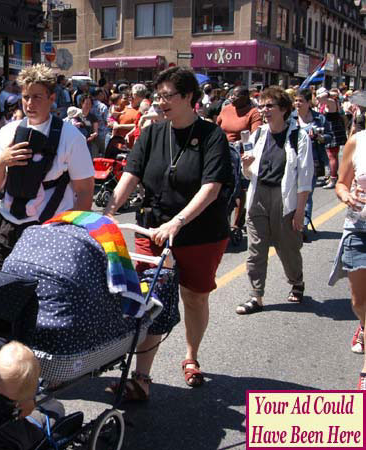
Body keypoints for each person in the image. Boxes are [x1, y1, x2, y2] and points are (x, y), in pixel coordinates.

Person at [103, 67, 232, 396]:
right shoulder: (151, 133)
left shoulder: (211, 136)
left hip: (199, 231)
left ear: (189, 97)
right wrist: (107, 212)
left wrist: (178, 221)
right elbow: (130, 176)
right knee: (149, 299)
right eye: (158, 96)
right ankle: (142, 377)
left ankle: (191, 356)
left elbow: (212, 188)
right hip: (153, 230)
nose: (161, 102)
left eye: (168, 96)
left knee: (194, 296)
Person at [0, 64, 95, 270]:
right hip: (5, 228)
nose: (29, 103)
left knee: (39, 299)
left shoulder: (71, 137)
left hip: (49, 231)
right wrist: (3, 160)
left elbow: (85, 191)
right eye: (25, 97)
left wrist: (70, 236)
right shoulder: (8, 132)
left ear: (52, 99)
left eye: (37, 97)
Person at [236, 86, 313, 315]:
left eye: (270, 106)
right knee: (256, 249)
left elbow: (305, 177)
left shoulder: (298, 136)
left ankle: (296, 281)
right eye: (262, 106)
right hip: (259, 194)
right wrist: (246, 165)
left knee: (287, 247)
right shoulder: (258, 134)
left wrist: (300, 211)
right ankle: (256, 296)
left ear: (284, 109)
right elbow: (249, 174)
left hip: (284, 197)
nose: (264, 110)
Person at [327, 125, 366, 388]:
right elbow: (341, 182)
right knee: (359, 302)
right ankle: (363, 323)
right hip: (359, 228)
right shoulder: (357, 142)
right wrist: (345, 194)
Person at [217, 86, 264, 236]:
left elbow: (256, 135)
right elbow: (217, 127)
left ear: (245, 97)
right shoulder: (226, 109)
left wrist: (245, 147)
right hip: (224, 152)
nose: (232, 98)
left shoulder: (253, 113)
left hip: (242, 154)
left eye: (236, 96)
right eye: (231, 96)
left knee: (240, 188)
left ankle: (236, 222)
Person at [292, 88, 333, 240]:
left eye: (301, 101)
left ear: (309, 103)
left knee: (306, 193)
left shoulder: (319, 118)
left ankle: (302, 226)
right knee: (291, 193)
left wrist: (319, 137)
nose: (297, 103)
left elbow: (329, 137)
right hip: (292, 161)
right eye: (296, 100)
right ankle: (292, 223)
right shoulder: (290, 118)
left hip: (313, 161)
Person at [317, 87, 347, 189]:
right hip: (329, 130)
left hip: (333, 130)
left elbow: (322, 99)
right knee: (330, 155)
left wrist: (323, 94)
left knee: (332, 155)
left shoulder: (331, 101)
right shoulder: (330, 101)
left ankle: (333, 178)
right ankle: (331, 176)